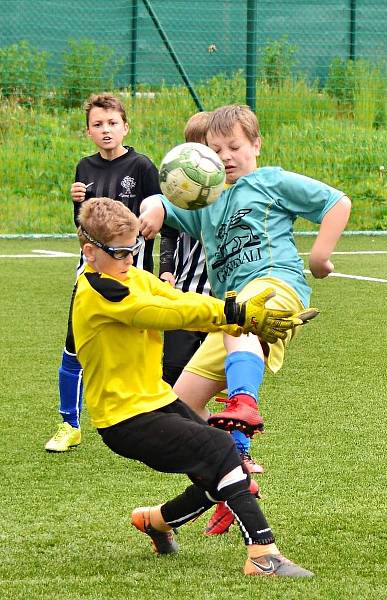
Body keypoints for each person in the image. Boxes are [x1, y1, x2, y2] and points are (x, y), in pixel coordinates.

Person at [71, 196, 315, 577]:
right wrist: (236, 313)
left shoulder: (130, 276)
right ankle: (263, 556)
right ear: (90, 251)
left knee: (224, 464)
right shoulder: (101, 292)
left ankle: (155, 520)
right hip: (124, 420)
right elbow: (168, 314)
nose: (130, 260)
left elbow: (179, 299)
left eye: (134, 249)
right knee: (219, 448)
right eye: (120, 253)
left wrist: (240, 324)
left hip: (156, 401)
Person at [139, 103, 351, 533]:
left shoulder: (269, 181)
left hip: (275, 289)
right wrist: (153, 210)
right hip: (233, 316)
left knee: (240, 317)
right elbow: (162, 202)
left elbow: (336, 201)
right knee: (181, 407)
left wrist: (320, 255)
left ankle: (244, 406)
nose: (227, 157)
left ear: (255, 143)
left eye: (234, 146)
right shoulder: (207, 201)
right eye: (216, 151)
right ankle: (231, 469)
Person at [45, 93, 164, 453]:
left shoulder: (142, 166)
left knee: (143, 349)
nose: (106, 129)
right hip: (91, 276)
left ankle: (156, 421)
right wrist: (76, 204)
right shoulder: (85, 168)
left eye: (112, 123)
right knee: (74, 346)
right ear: (88, 132)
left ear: (125, 127)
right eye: (98, 124)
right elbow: (82, 228)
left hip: (134, 274)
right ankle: (69, 424)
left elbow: (159, 216)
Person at [158, 112, 264, 477]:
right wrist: (167, 267)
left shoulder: (241, 193)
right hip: (187, 294)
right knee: (173, 375)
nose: (220, 158)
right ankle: (217, 450)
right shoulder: (189, 192)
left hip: (224, 300)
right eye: (211, 151)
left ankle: (238, 451)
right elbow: (168, 225)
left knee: (231, 373)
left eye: (225, 150)